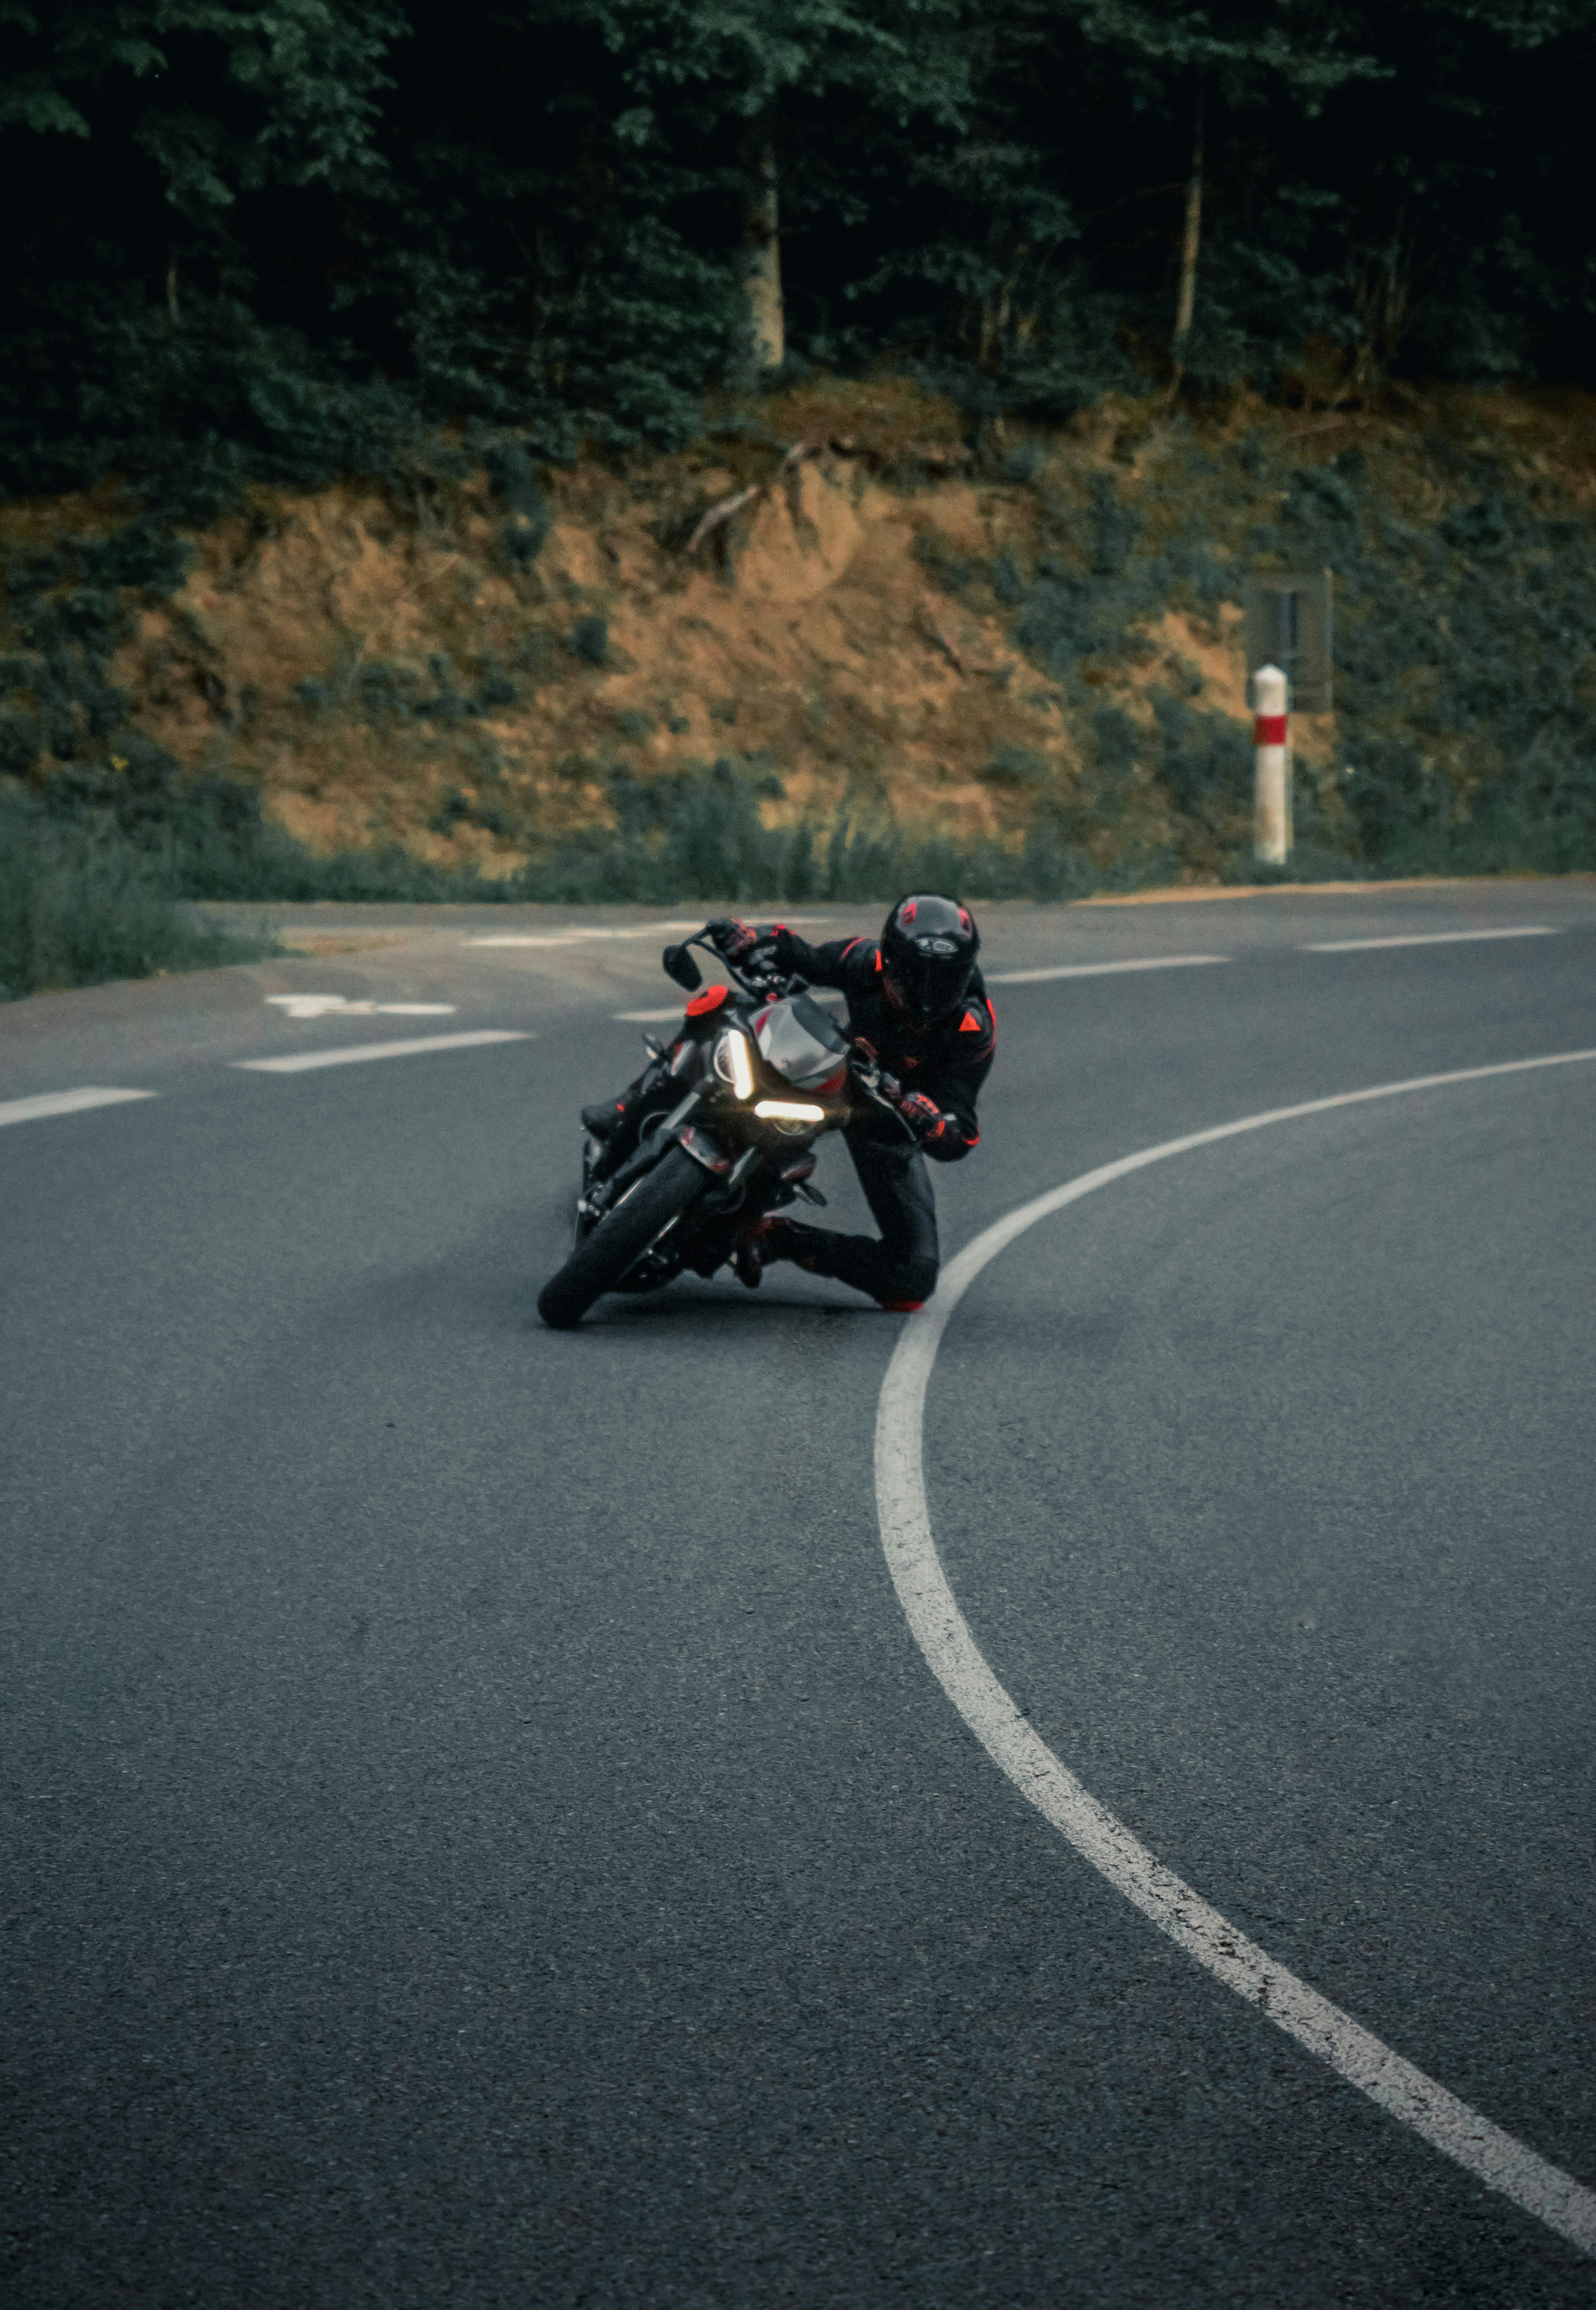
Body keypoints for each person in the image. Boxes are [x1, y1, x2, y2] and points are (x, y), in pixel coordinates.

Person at [580, 894, 995, 1312]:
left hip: (888, 1116)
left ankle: (773, 1238)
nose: (926, 995)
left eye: (945, 980)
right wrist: (749, 938)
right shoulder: (863, 960)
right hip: (835, 1067)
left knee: (912, 1279)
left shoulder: (971, 1028)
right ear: (888, 961)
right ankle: (628, 1104)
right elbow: (800, 953)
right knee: (723, 1006)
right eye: (912, 977)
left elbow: (963, 1132)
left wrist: (930, 1121)